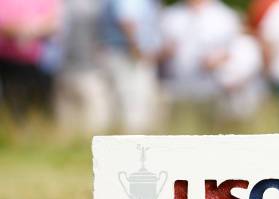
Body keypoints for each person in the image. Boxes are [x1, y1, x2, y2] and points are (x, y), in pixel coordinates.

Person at [160, 0, 265, 119]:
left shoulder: (226, 17)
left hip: (214, 93)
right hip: (177, 90)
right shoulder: (170, 16)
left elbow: (240, 55)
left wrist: (218, 61)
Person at [99, 0, 163, 132]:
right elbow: (126, 21)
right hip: (128, 56)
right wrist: (138, 48)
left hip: (133, 55)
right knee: (133, 108)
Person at [55, 0, 112, 133]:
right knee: (96, 126)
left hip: (65, 70)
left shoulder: (62, 6)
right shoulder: (96, 7)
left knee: (68, 127)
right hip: (89, 72)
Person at [0, 0, 62, 118]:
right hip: (8, 65)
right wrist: (27, 30)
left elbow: (54, 23)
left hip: (40, 66)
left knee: (41, 112)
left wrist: (27, 31)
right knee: (12, 111)